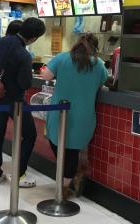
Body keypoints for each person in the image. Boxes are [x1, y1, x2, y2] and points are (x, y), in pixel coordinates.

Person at [42, 33, 108, 198]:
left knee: (57, 144)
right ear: (95, 48)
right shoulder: (99, 64)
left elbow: (46, 76)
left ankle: (64, 186)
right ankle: (66, 185)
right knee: (72, 152)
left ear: (76, 44)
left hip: (59, 112)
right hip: (83, 115)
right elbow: (102, 83)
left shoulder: (62, 58)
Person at [0, 17, 46, 187]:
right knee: (29, 135)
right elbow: (25, 83)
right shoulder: (24, 54)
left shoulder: (1, 42)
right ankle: (19, 174)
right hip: (15, 101)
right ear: (33, 38)